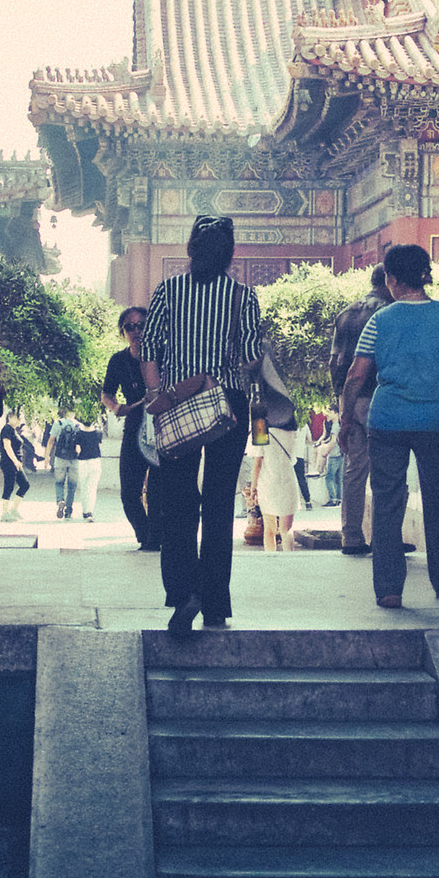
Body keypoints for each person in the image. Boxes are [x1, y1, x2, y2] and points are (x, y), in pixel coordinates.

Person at [140, 215, 265, 634]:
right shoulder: (242, 297)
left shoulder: (169, 291)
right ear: (230, 254)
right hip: (226, 405)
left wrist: (159, 394)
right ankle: (214, 602)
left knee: (177, 503)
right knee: (217, 505)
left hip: (178, 403)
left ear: (191, 248)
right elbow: (250, 355)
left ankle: (183, 592)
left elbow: (149, 347)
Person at [343, 243, 439, 608]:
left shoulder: (380, 320)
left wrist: (345, 418)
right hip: (437, 422)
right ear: (424, 276)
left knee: (388, 503)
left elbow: (357, 375)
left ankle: (389, 589)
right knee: (438, 502)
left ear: (391, 279)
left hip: (387, 422)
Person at [328, 266, 392, 554]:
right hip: (381, 397)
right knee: (389, 470)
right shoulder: (390, 311)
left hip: (352, 398)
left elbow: (334, 362)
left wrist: (342, 403)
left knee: (355, 469)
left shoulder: (345, 313)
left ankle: (351, 536)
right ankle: (384, 536)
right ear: (390, 282)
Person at [101, 308, 157, 549]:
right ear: (122, 332)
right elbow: (106, 393)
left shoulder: (162, 354)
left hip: (163, 428)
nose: (137, 331)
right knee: (129, 492)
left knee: (158, 492)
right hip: (134, 427)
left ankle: (155, 541)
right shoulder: (118, 360)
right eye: (130, 327)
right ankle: (145, 536)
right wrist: (115, 407)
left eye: (141, 325)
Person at [251, 416, 303, 550]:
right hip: (288, 480)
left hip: (268, 483)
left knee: (269, 529)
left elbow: (258, 463)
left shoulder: (261, 428)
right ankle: (289, 563)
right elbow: (293, 458)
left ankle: (270, 563)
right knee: (286, 529)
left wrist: (253, 487)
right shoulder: (292, 430)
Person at [50, 407, 88, 519]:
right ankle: (68, 511)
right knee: (72, 486)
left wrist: (47, 456)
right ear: (74, 413)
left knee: (59, 483)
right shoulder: (79, 426)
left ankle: (60, 500)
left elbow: (51, 440)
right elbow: (81, 445)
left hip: (60, 458)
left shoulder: (58, 423)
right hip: (74, 460)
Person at [0, 412, 34, 522]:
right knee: (9, 486)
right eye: (18, 418)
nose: (20, 421)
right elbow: (7, 446)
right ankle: (4, 513)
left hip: (15, 463)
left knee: (25, 484)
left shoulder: (13, 430)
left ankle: (13, 509)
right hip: (9, 462)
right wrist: (15, 461)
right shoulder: (6, 429)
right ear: (10, 417)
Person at [319, 413, 343, 508]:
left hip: (334, 454)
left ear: (335, 413)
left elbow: (333, 441)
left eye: (330, 411)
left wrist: (326, 452)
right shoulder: (339, 424)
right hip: (341, 453)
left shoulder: (335, 426)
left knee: (329, 477)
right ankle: (339, 499)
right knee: (338, 478)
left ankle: (333, 500)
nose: (327, 414)